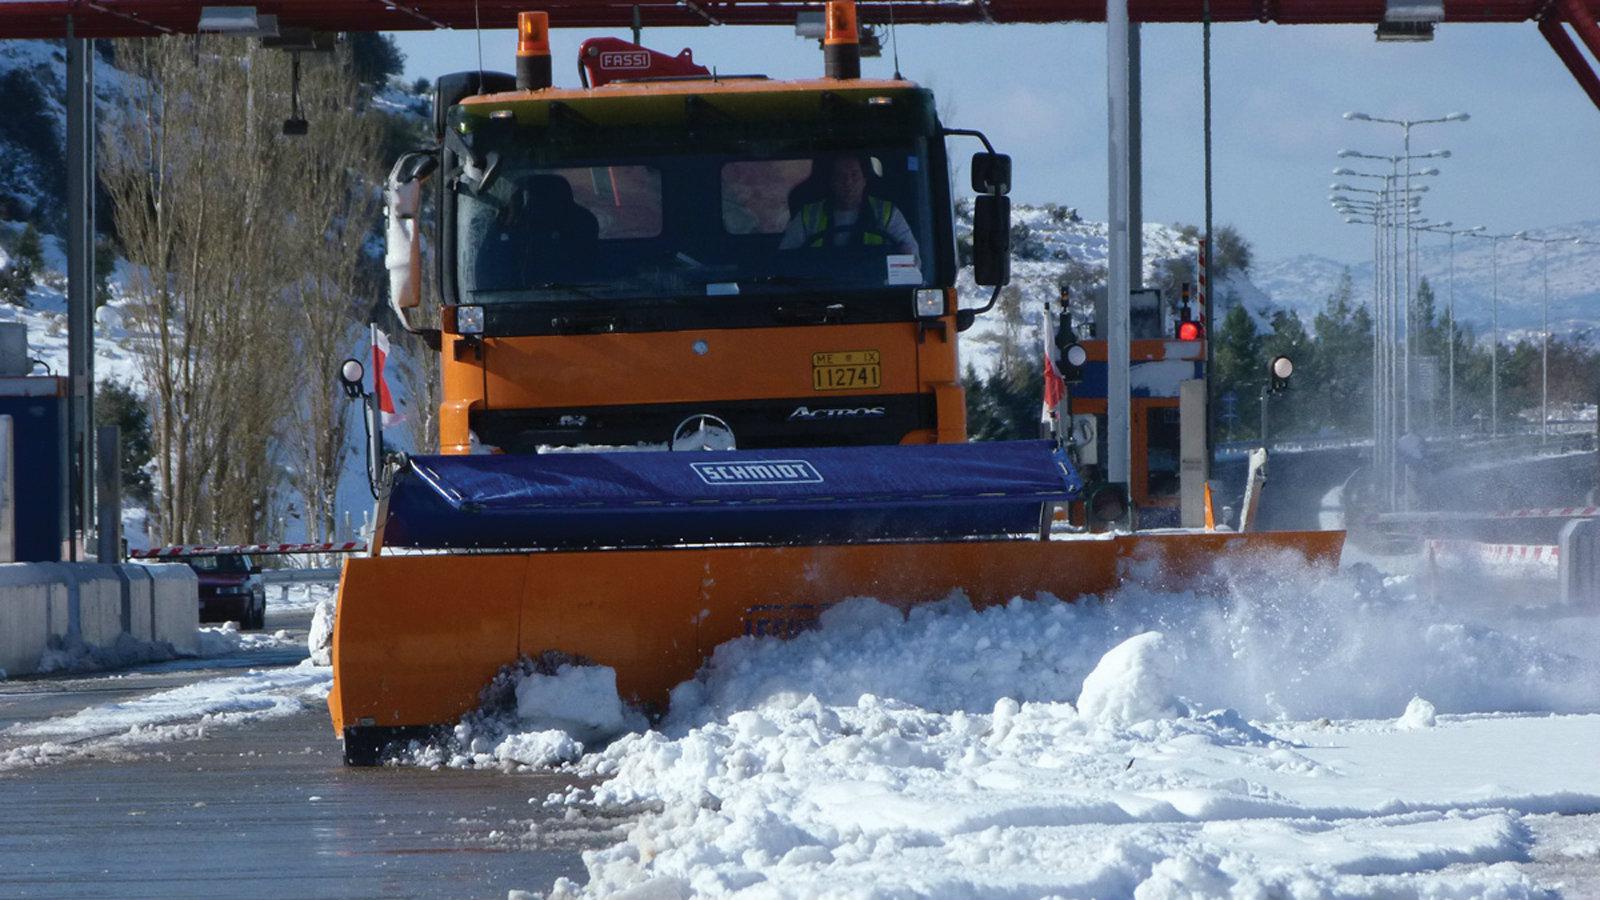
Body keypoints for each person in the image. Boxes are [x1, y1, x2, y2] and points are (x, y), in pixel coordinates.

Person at [779, 156, 919, 261]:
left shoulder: (888, 213)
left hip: (876, 289)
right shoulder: (808, 215)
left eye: (854, 175)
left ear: (864, 180)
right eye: (841, 176)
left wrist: (904, 257)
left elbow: (912, 257)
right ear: (832, 182)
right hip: (819, 291)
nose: (848, 183)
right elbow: (786, 259)